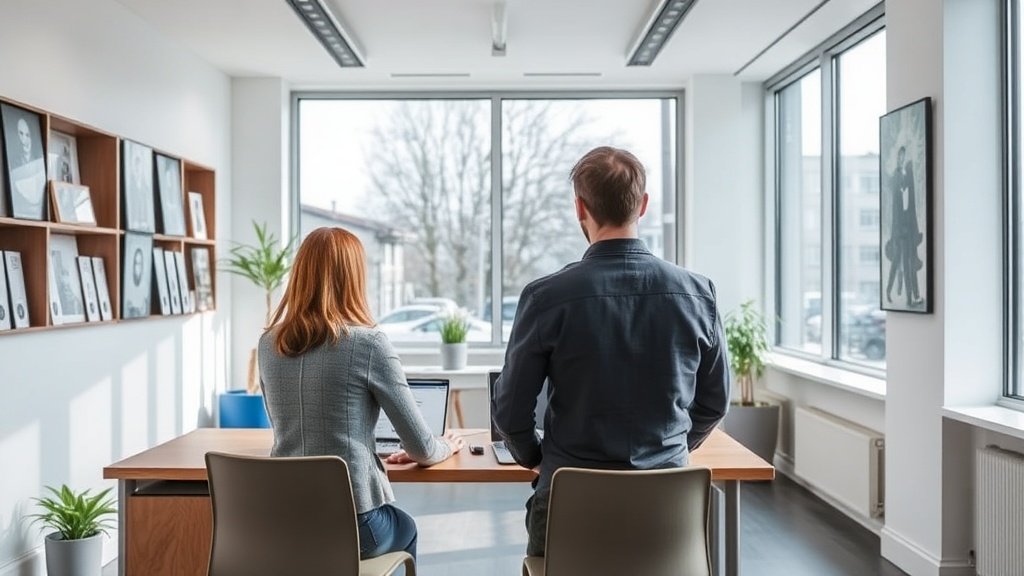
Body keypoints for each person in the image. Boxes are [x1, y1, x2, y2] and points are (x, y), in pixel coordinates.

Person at [492, 146, 732, 557]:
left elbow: (511, 412)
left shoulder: (546, 297)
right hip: (665, 509)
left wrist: (536, 458)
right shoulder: (698, 293)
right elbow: (715, 402)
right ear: (643, 205)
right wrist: (671, 450)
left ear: (579, 208)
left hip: (570, 502)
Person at [259, 227, 465, 562]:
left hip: (284, 523)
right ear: (353, 278)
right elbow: (423, 449)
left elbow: (283, 424)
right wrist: (447, 445)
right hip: (352, 525)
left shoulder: (269, 344)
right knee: (406, 526)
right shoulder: (367, 344)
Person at [884, 146, 923, 307]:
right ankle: (908, 298)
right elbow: (897, 207)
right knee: (903, 263)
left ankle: (900, 294)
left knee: (902, 262)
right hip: (901, 229)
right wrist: (896, 231)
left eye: (904, 156)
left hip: (907, 227)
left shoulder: (907, 176)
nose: (902, 159)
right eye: (900, 156)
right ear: (897, 158)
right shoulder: (897, 176)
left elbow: (911, 204)